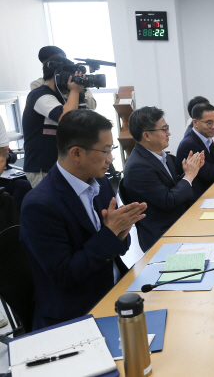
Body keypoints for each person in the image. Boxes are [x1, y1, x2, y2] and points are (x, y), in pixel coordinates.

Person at [20, 110, 147, 330]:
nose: (111, 159)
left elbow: (116, 249)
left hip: (117, 289)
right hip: (78, 311)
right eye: (106, 151)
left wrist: (120, 233)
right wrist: (110, 234)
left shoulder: (101, 183)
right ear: (77, 153)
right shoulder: (40, 205)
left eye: (111, 149)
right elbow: (66, 275)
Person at [123, 106, 205, 251]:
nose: (169, 133)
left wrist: (190, 171)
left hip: (180, 222)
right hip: (163, 235)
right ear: (147, 136)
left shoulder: (162, 156)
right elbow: (168, 201)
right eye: (164, 129)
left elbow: (171, 187)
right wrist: (189, 176)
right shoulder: (138, 167)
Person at [22, 55, 84, 188]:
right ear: (58, 76)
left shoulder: (61, 98)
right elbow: (66, 118)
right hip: (42, 167)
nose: (71, 81)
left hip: (58, 165)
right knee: (51, 207)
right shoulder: (38, 95)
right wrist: (74, 91)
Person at [30, 46, 97, 110]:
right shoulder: (38, 84)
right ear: (47, 65)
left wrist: (80, 86)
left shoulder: (75, 79)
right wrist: (72, 91)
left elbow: (91, 106)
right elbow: (58, 111)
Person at [0, 116, 31, 212]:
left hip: (8, 173)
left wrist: (7, 156)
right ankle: (17, 218)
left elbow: (13, 157)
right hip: (2, 177)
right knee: (22, 185)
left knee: (30, 180)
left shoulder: (2, 143)